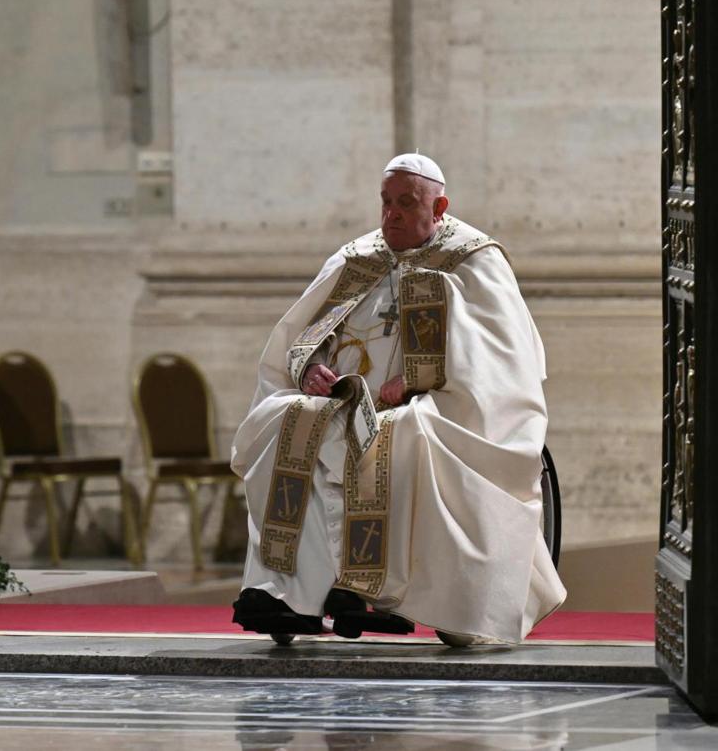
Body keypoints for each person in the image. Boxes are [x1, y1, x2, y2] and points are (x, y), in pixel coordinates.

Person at [231, 153, 565, 645]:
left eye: (406, 204)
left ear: (439, 206)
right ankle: (287, 595)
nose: (390, 215)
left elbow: (503, 359)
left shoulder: (473, 259)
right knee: (284, 420)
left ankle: (368, 590)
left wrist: (418, 380)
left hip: (435, 406)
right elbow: (301, 336)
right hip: (340, 403)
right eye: (385, 203)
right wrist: (311, 370)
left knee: (396, 434)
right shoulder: (357, 257)